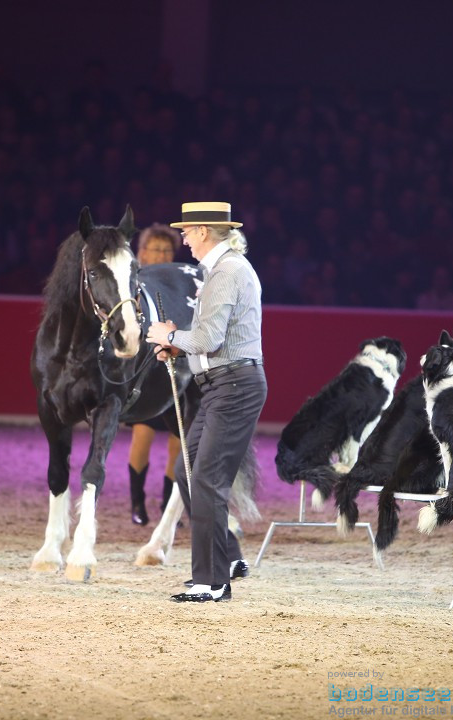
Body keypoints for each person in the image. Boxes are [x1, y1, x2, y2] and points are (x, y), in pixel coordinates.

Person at [146, 202, 266, 603]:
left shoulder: (227, 272)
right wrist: (179, 348)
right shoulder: (221, 270)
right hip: (223, 384)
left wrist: (169, 336)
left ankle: (211, 583)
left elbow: (207, 340)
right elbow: (213, 339)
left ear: (202, 231)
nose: (182, 239)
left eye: (186, 232)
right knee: (188, 473)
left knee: (205, 480)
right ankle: (225, 562)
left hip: (233, 387)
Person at [127, 223, 184, 525]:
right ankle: (137, 503)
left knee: (178, 439)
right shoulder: (133, 281)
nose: (161, 254)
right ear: (143, 252)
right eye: (156, 249)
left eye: (166, 249)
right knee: (143, 435)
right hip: (146, 371)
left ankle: (167, 504)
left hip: (174, 366)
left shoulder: (180, 283)